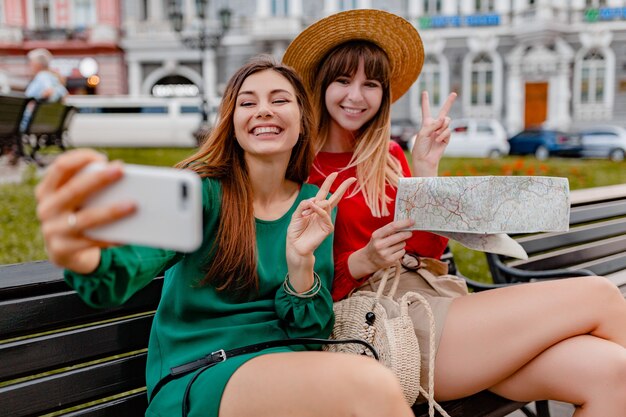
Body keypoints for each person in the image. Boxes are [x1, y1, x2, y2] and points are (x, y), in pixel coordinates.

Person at [284, 9, 626, 415]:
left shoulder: (388, 156)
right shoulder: (300, 165)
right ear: (323, 84)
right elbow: (292, 280)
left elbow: (427, 249)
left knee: (611, 372)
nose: (356, 96)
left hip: (435, 299)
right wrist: (363, 260)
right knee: (599, 295)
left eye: (370, 84)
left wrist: (426, 169)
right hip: (382, 325)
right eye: (343, 80)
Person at [35, 56, 417, 417]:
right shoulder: (200, 193)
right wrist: (86, 255)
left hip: (289, 371)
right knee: (370, 384)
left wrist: (300, 264)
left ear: (303, 120)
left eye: (279, 100)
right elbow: (126, 267)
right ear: (233, 122)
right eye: (247, 103)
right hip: (202, 374)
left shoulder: (312, 203)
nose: (264, 110)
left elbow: (310, 330)